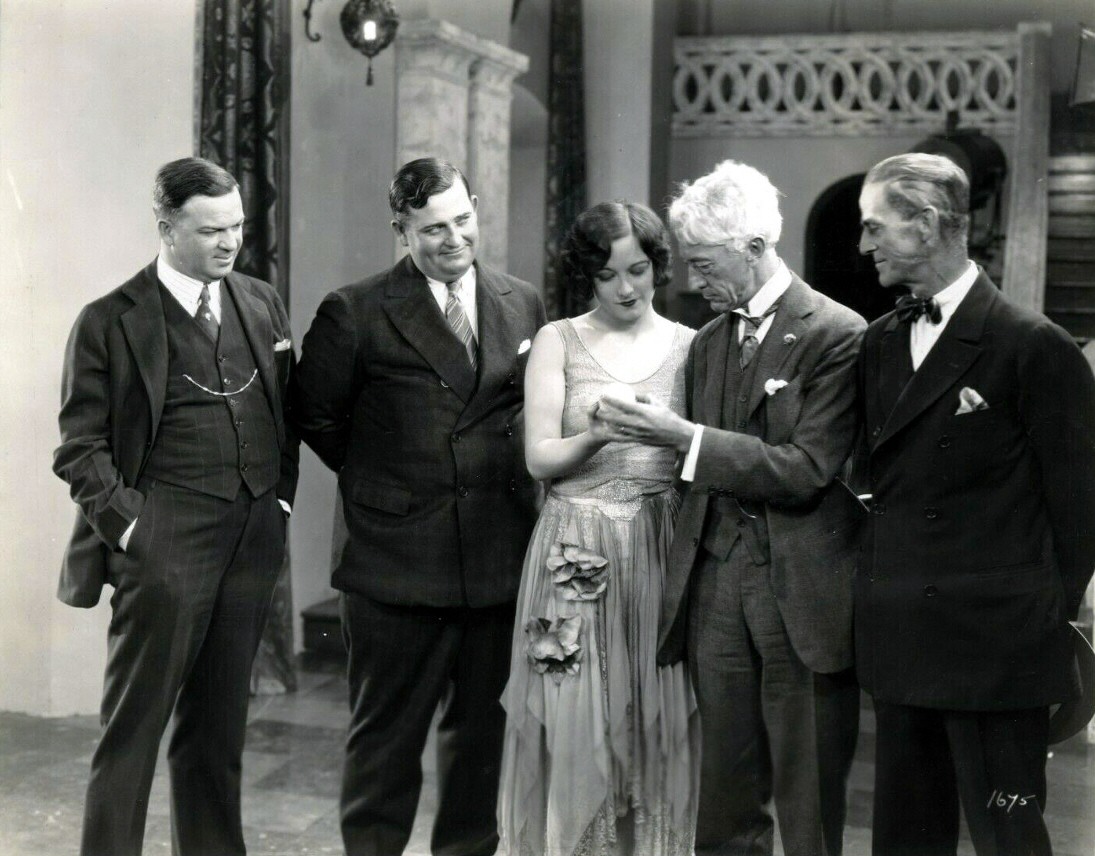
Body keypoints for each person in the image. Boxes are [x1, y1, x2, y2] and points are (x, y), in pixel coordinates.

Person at [598, 160, 865, 856]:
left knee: (806, 797)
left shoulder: (835, 333)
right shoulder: (710, 341)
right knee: (723, 789)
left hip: (796, 593)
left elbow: (807, 470)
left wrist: (686, 439)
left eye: (703, 263)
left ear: (753, 248)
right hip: (716, 588)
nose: (691, 282)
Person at [291, 157, 546, 856]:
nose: (452, 239)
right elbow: (316, 416)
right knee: (384, 745)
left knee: (479, 741)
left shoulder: (520, 302)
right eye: (432, 229)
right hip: (393, 563)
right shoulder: (356, 310)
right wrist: (390, 484)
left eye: (462, 220)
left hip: (494, 559)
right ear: (401, 231)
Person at [53, 156, 299, 856]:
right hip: (163, 543)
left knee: (217, 731)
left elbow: (287, 411)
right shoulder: (108, 320)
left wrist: (277, 504)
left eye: (238, 227)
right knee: (132, 734)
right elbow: (79, 449)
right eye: (211, 230)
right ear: (165, 227)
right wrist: (135, 530)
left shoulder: (259, 301)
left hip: (250, 536)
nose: (229, 243)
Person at [854, 152, 1095, 856]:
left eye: (874, 228)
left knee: (1008, 834)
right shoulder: (878, 343)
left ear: (925, 225)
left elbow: (1080, 510)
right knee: (903, 839)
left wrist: (1034, 618)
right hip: (902, 640)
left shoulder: (1033, 345)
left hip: (997, 650)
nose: (863, 246)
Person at [497, 201, 701, 856]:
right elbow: (539, 459)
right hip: (574, 549)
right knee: (575, 724)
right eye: (608, 274)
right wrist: (595, 434)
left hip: (654, 543)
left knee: (649, 723)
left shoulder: (689, 347)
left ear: (656, 267)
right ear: (586, 274)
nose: (625, 288)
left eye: (637, 270)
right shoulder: (557, 338)